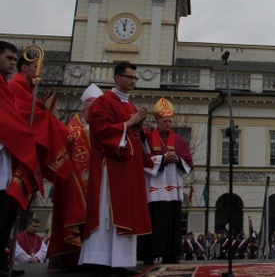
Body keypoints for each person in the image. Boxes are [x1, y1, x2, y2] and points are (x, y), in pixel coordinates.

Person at [79, 62, 153, 276]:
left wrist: (139, 127)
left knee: (126, 212)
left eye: (135, 78)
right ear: (117, 77)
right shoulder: (103, 102)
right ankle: (98, 259)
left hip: (128, 168)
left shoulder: (130, 105)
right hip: (110, 168)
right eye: (130, 77)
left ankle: (120, 261)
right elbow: (101, 131)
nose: (133, 81)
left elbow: (137, 135)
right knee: (106, 214)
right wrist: (129, 124)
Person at [0, 41, 43, 277]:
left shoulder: (8, 85)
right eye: (8, 58)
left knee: (6, 215)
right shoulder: (11, 85)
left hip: (7, 158)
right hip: (7, 152)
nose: (10, 62)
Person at [48, 83, 101, 269]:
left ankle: (92, 258)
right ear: (85, 110)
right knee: (75, 217)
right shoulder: (73, 128)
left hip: (96, 182)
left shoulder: (99, 129)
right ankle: (72, 258)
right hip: (74, 182)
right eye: (92, 111)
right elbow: (64, 142)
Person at [139, 97, 193, 265]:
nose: (168, 124)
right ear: (158, 121)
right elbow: (144, 160)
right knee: (153, 221)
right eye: (165, 121)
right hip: (154, 188)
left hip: (173, 189)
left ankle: (171, 254)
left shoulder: (179, 140)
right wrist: (163, 159)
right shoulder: (148, 139)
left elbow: (188, 162)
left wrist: (177, 159)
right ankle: (149, 254)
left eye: (170, 121)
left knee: (172, 221)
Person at [9, 52, 74, 183]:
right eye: (36, 67)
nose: (40, 71)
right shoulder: (15, 87)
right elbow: (20, 113)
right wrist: (45, 114)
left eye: (41, 68)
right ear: (24, 68)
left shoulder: (29, 90)